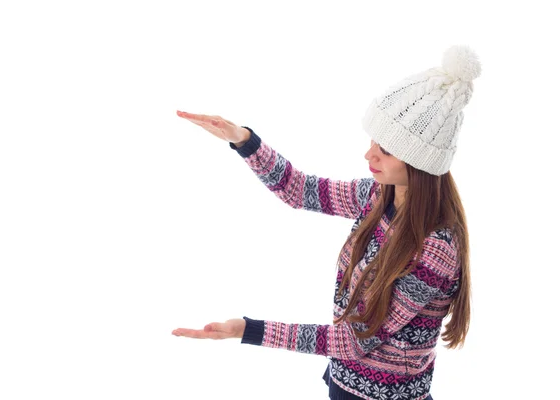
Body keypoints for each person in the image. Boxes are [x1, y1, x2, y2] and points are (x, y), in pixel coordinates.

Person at [172, 45, 481, 400]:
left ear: (420, 161)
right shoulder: (377, 197)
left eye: (387, 150)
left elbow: (351, 341)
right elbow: (299, 190)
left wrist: (248, 330)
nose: (369, 154)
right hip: (342, 383)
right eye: (373, 141)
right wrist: (244, 141)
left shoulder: (435, 249)